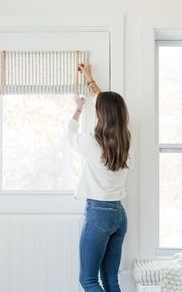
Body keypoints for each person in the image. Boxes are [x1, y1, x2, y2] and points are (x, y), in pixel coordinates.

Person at [65, 63, 131, 292]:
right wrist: (90, 78)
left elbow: (68, 135)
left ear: (101, 114)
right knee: (111, 281)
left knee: (89, 280)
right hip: (119, 215)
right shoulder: (125, 139)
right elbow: (107, 103)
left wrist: (79, 108)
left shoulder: (92, 143)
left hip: (98, 215)